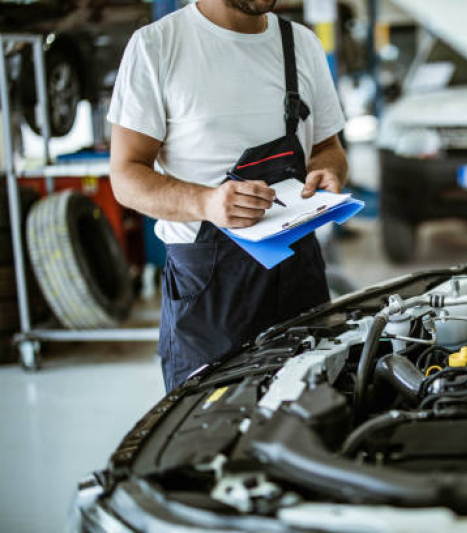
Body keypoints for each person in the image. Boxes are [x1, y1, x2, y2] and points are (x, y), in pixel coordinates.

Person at [107, 0, 348, 392]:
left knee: (315, 418)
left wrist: (329, 170)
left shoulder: (300, 43)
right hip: (210, 293)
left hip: (299, 277)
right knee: (209, 431)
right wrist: (205, 203)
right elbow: (126, 176)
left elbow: (328, 146)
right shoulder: (157, 46)